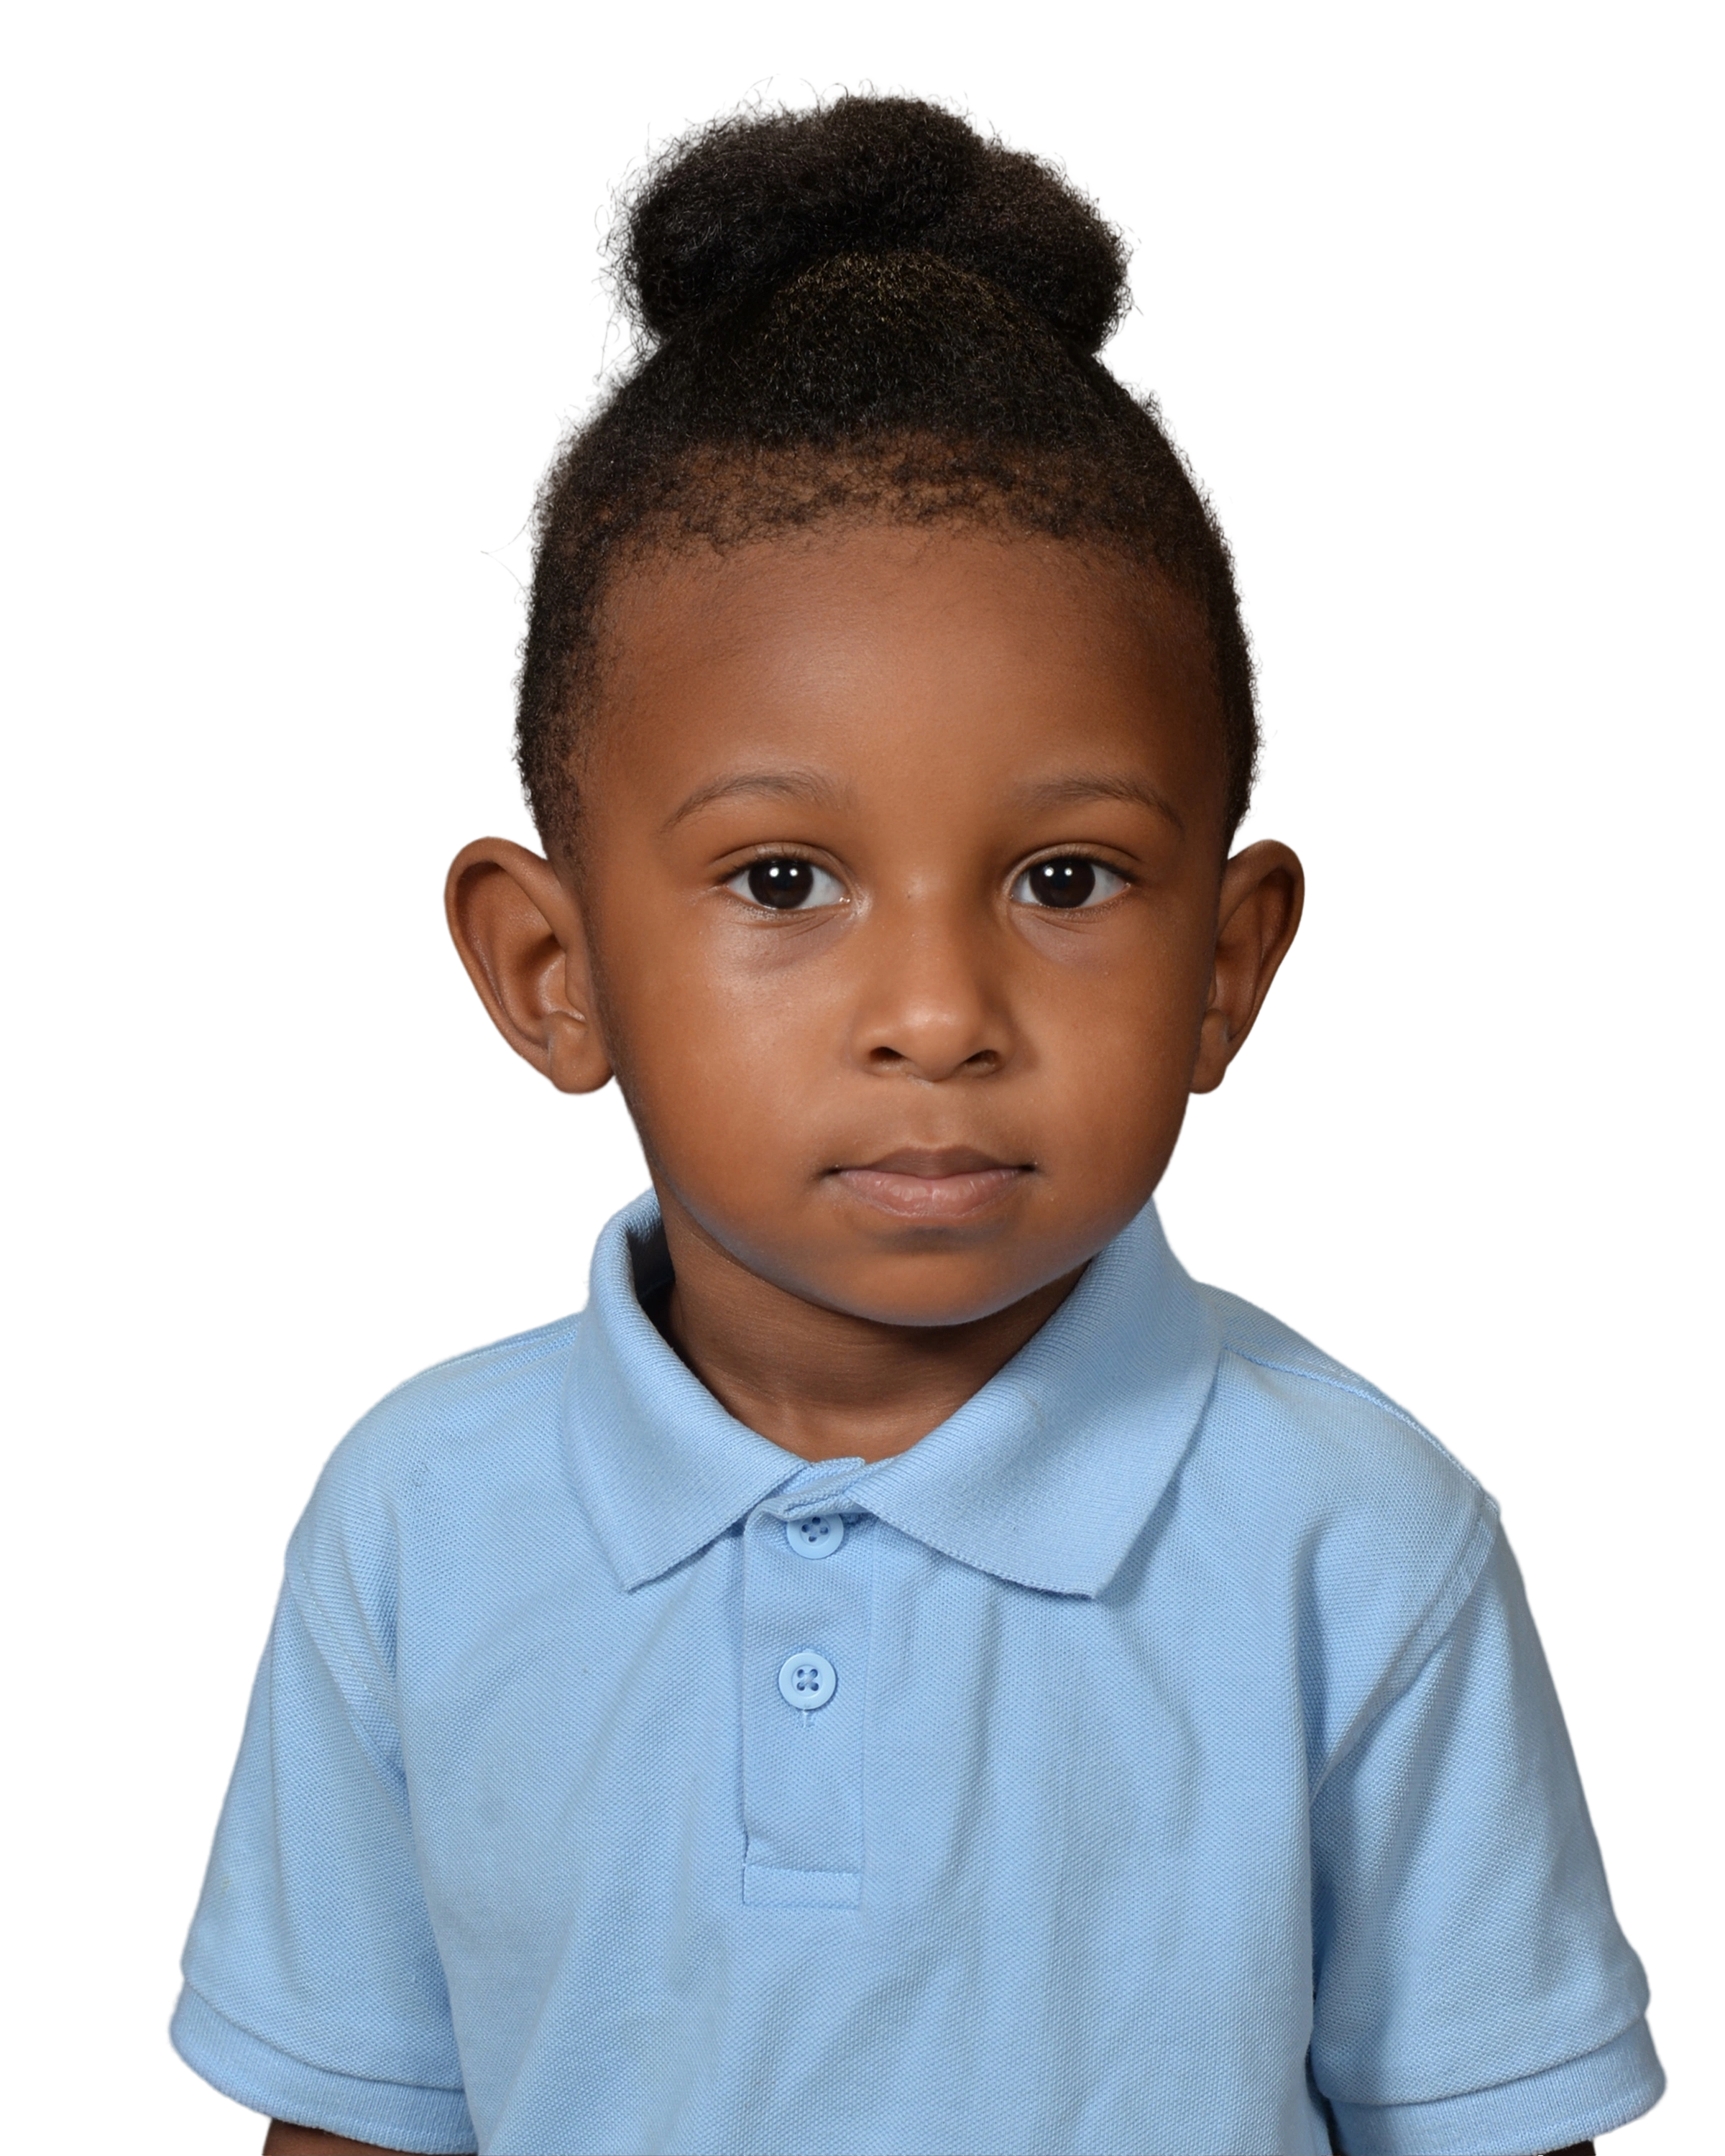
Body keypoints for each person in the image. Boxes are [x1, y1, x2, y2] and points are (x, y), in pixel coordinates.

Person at [161, 73, 1668, 2156]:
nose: (941, 1015)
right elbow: (346, 2116)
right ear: (551, 969)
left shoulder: (1359, 1538)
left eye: (1067, 879)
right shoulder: (419, 1517)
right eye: (785, 880)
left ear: (1229, 965)